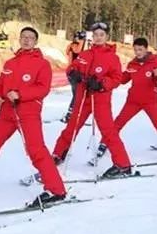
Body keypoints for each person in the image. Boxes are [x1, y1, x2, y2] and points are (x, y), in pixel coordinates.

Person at [0, 26, 66, 208]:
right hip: (6, 113)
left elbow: (43, 89)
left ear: (35, 41)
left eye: (30, 38)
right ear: (20, 39)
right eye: (23, 37)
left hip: (28, 114)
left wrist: (20, 94)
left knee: (36, 150)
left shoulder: (42, 64)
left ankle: (56, 189)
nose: (26, 40)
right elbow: (0, 84)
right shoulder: (10, 63)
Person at [52, 21, 133, 178]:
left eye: (101, 35)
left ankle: (123, 164)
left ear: (106, 37)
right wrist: (73, 73)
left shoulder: (112, 58)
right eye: (95, 35)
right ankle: (58, 154)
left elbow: (116, 79)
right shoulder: (85, 54)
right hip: (83, 99)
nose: (98, 38)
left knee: (108, 132)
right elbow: (72, 66)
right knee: (71, 128)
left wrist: (101, 84)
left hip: (100, 100)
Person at [94, 37, 157, 164]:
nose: (138, 52)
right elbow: (122, 79)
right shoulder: (133, 64)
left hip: (150, 101)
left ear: (146, 49)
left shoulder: (155, 62)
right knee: (118, 122)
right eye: (135, 50)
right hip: (133, 101)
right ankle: (104, 144)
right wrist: (109, 77)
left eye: (140, 50)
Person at [62, 31, 87, 123]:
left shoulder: (74, 45)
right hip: (74, 73)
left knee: (77, 95)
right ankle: (70, 116)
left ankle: (73, 115)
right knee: (77, 95)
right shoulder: (74, 46)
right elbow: (78, 51)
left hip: (75, 73)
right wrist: (82, 41)